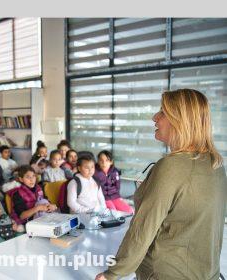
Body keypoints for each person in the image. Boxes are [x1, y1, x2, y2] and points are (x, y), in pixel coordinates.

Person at [96, 89, 227, 280]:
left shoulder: (171, 166)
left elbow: (142, 231)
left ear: (180, 120)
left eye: (163, 112)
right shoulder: (215, 163)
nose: (154, 117)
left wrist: (112, 273)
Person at [94, 150, 133, 214]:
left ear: (111, 162)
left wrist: (118, 197)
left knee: (129, 211)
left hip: (115, 196)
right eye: (101, 160)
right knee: (113, 212)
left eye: (107, 160)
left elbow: (117, 186)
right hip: (103, 198)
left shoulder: (115, 172)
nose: (104, 163)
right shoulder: (95, 172)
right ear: (98, 161)